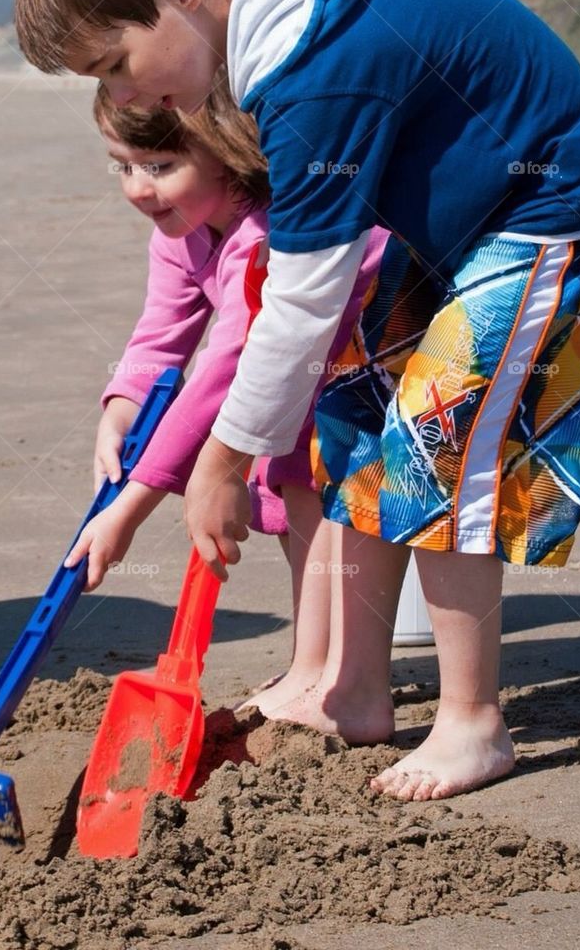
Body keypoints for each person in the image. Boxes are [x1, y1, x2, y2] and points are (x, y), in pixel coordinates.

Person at [17, 0, 580, 801]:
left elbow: (300, 302)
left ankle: (473, 721)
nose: (125, 90)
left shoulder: (316, 69)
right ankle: (353, 689)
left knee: (440, 431)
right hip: (454, 221)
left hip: (552, 203)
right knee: (350, 408)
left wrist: (221, 465)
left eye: (114, 62)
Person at [65, 75, 387, 715]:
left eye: (160, 165)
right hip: (306, 373)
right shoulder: (180, 233)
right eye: (122, 168)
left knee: (311, 474)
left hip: (377, 351)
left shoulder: (264, 235)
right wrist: (122, 410)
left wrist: (129, 509)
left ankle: (329, 670)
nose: (138, 188)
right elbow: (159, 339)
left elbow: (227, 367)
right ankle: (312, 662)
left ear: (225, 147)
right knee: (293, 475)